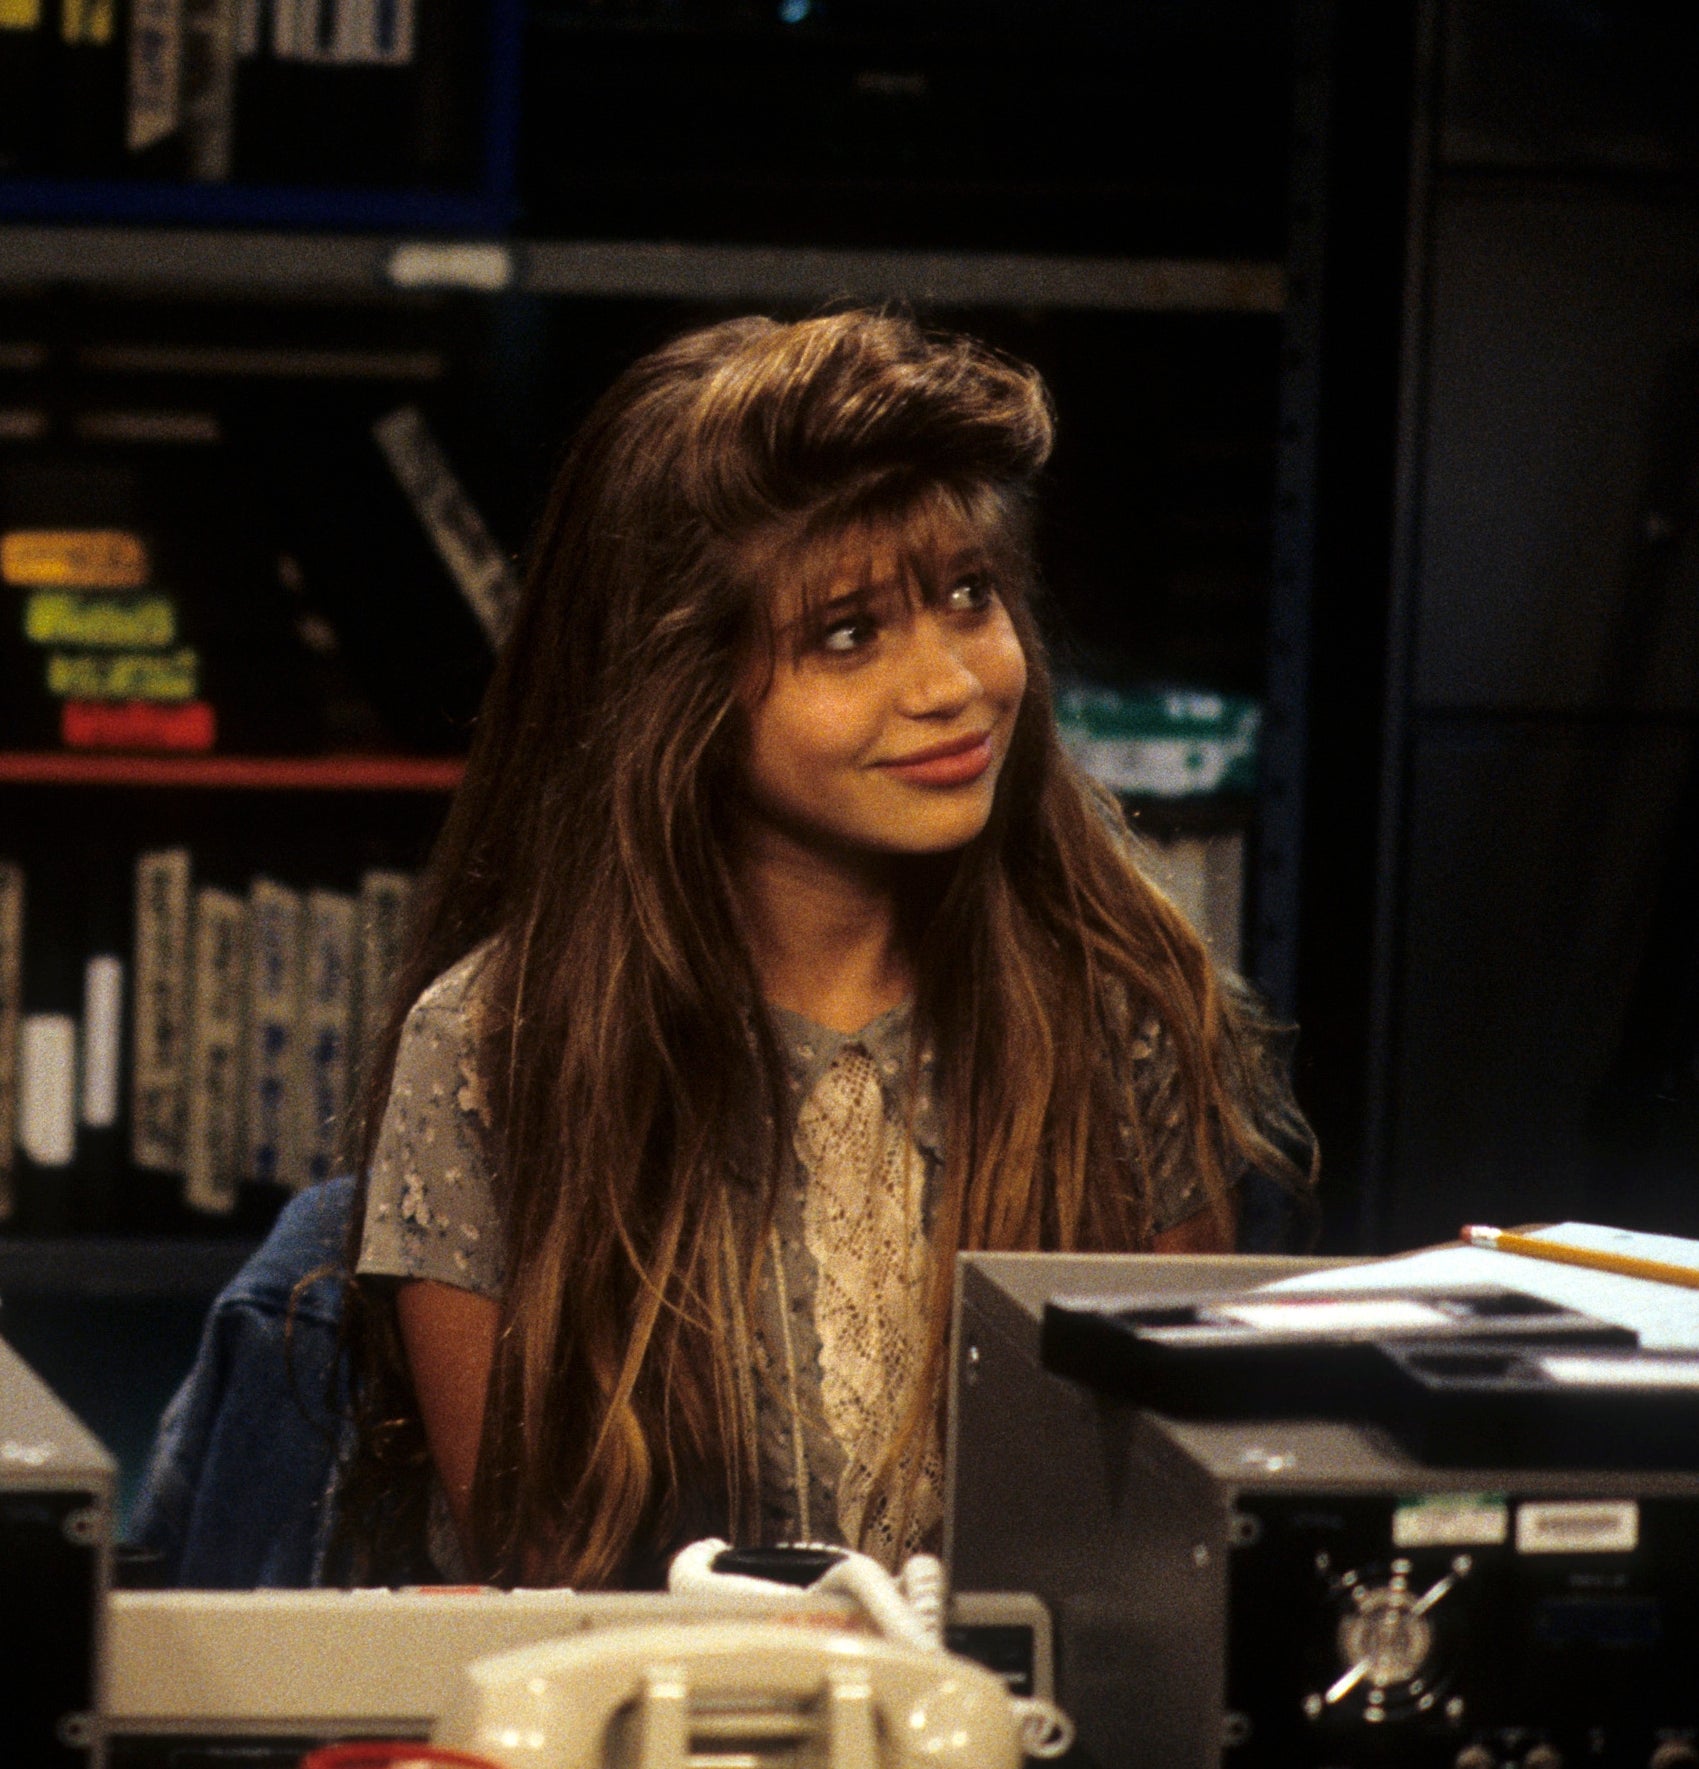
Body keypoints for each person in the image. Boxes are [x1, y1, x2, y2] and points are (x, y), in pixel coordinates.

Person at [338, 309, 1317, 1591]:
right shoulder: (495, 1044)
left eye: (969, 595)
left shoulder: (1120, 1007)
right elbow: (530, 1585)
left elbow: (1167, 1548)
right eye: (848, 633)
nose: (951, 683)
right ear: (681, 691)